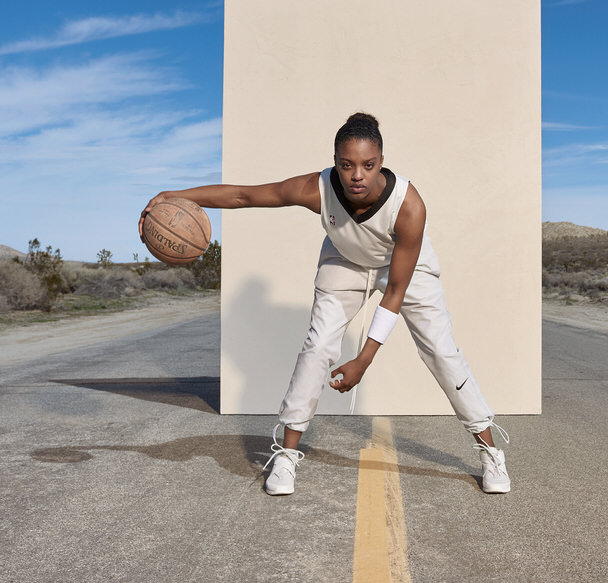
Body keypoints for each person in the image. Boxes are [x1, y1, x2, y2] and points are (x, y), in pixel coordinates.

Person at [139, 112, 510, 495]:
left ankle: (490, 452)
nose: (357, 176)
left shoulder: (409, 206)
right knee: (317, 347)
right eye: (347, 165)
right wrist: (174, 196)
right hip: (346, 261)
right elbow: (243, 195)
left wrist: (363, 359)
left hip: (400, 266)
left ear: (382, 161)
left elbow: (395, 292)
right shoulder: (316, 189)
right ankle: (285, 456)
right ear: (335, 162)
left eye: (368, 165)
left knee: (440, 350)